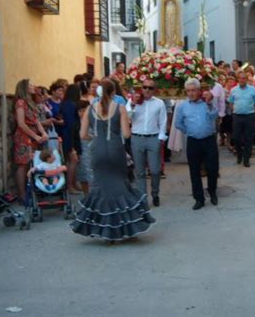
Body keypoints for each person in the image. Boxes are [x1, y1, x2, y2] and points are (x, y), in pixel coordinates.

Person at [71, 80, 156, 242]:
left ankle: (104, 229)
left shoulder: (90, 108)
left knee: (101, 187)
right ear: (113, 92)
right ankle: (126, 226)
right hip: (116, 148)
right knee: (120, 185)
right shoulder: (120, 107)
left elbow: (82, 135)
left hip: (97, 149)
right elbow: (126, 134)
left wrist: (95, 138)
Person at [175, 79, 219, 210]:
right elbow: (178, 123)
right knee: (194, 170)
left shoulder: (207, 103)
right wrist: (189, 131)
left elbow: (214, 115)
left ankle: (212, 191)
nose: (191, 93)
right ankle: (199, 198)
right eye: (188, 91)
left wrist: (210, 103)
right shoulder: (183, 106)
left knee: (213, 169)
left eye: (193, 90)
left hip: (209, 139)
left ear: (199, 91)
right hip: (193, 141)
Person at [126, 79, 167, 207]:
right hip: (137, 138)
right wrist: (133, 103)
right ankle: (142, 198)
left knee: (155, 170)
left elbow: (163, 121)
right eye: (145, 87)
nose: (147, 90)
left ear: (154, 90)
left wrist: (160, 137)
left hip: (153, 138)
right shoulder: (134, 101)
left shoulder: (159, 103)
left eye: (150, 88)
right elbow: (128, 117)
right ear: (141, 88)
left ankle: (155, 193)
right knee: (140, 172)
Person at [13, 79, 48, 204]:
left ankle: (31, 192)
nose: (33, 86)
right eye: (31, 85)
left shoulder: (29, 102)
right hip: (24, 137)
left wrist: (43, 133)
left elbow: (36, 121)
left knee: (31, 164)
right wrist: (36, 136)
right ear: (24, 88)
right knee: (23, 165)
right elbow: (21, 123)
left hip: (32, 136)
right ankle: (22, 195)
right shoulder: (20, 103)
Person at [228, 71, 255, 167]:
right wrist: (234, 110)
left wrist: (251, 109)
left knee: (249, 138)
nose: (242, 80)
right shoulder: (233, 90)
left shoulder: (253, 89)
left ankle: (246, 159)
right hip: (237, 116)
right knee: (236, 137)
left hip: (249, 116)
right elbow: (230, 102)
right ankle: (239, 154)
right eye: (240, 78)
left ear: (246, 79)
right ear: (238, 79)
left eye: (244, 78)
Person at [60, 84, 82, 193]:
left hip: (71, 134)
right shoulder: (70, 105)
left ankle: (74, 183)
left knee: (74, 160)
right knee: (72, 160)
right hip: (70, 135)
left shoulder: (67, 104)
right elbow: (71, 124)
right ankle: (70, 186)